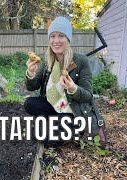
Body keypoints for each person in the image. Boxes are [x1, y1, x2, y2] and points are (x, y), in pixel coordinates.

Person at [24, 16, 106, 146]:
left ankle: (71, 128)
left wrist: (73, 88)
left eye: (61, 36)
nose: (56, 41)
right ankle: (55, 122)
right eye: (53, 36)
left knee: (48, 142)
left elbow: (88, 96)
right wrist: (31, 73)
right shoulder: (47, 61)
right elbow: (32, 87)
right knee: (29, 103)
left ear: (68, 39)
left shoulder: (80, 61)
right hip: (53, 105)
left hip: (71, 110)